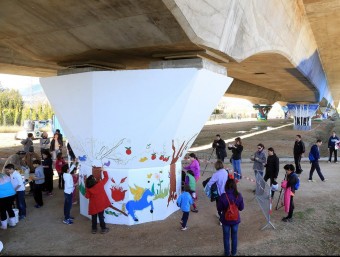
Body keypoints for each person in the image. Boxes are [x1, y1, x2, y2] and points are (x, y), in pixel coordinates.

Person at [217, 179, 244, 256]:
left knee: (226, 237)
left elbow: (219, 208)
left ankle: (227, 253)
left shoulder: (223, 196)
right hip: (235, 220)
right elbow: (241, 208)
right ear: (235, 186)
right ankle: (234, 253)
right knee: (234, 237)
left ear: (226, 186)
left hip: (225, 220)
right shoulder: (239, 195)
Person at [85, 167, 110, 234]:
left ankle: (94, 229)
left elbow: (87, 196)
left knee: (94, 218)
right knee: (101, 217)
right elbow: (106, 178)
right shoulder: (100, 185)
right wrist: (104, 170)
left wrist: (86, 189)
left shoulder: (88, 188)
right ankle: (103, 229)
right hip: (100, 205)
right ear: (94, 181)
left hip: (93, 206)